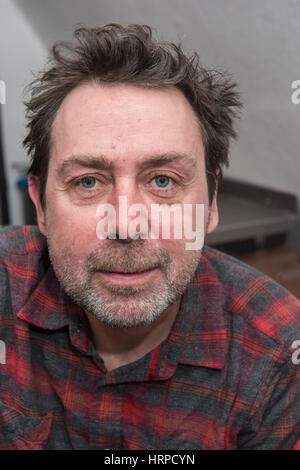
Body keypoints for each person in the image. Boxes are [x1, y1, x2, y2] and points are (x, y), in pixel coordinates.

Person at [0, 23, 300, 451]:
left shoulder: (281, 358)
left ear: (211, 202)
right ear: (41, 205)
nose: (126, 224)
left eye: (163, 180)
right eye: (88, 182)